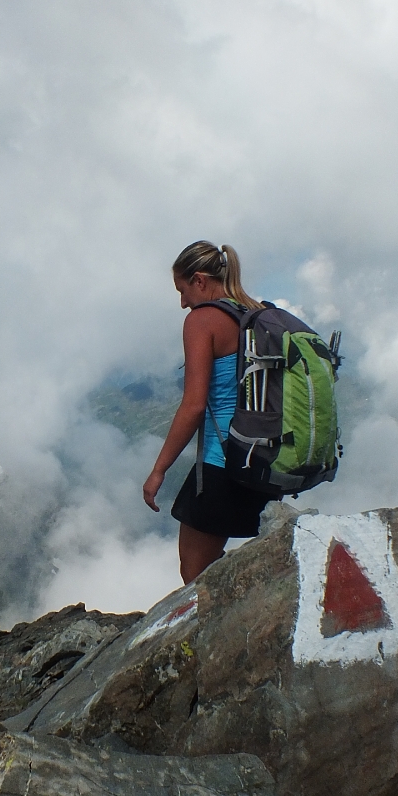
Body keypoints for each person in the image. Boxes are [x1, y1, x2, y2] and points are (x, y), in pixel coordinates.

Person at [142, 240, 270, 583]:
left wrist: (158, 471)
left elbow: (194, 405)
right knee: (212, 564)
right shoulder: (255, 314)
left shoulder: (203, 320)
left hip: (223, 461)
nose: (183, 303)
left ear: (200, 280)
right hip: (263, 459)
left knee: (195, 572)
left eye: (183, 291)